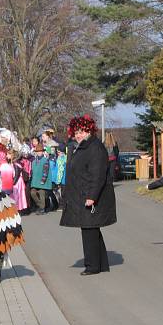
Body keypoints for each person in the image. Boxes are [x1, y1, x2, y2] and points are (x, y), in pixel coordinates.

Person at [60, 115, 117, 276]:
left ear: (89, 131)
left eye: (82, 131)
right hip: (81, 194)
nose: (79, 135)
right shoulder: (81, 147)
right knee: (91, 229)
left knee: (89, 229)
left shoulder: (95, 148)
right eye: (77, 132)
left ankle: (92, 265)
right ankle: (100, 264)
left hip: (91, 196)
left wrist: (92, 196)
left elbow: (97, 175)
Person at [30, 143, 54, 214]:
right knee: (32, 193)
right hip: (35, 182)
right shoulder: (33, 162)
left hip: (43, 181)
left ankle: (42, 209)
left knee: (41, 192)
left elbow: (45, 172)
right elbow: (33, 172)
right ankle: (40, 205)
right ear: (36, 152)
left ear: (43, 152)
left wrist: (43, 181)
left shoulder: (45, 160)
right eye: (38, 151)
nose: (39, 152)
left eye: (40, 151)